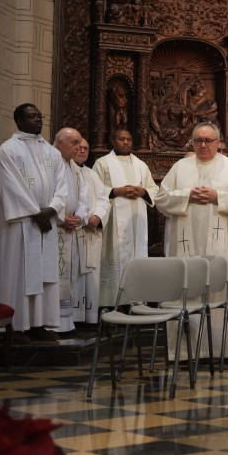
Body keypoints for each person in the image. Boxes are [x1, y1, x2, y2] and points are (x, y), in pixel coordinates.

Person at [155, 122, 228, 356]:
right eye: (198, 140)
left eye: (209, 140)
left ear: (218, 143)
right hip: (185, 244)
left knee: (218, 289)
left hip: (220, 247)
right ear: (192, 143)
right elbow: (161, 199)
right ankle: (185, 352)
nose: (203, 145)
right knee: (186, 288)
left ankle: (221, 350)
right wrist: (187, 195)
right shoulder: (180, 167)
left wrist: (217, 196)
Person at [0, 105, 69, 341]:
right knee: (19, 275)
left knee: (44, 276)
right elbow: (11, 187)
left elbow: (62, 185)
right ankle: (15, 326)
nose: (38, 120)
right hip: (21, 226)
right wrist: (38, 214)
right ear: (18, 120)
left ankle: (38, 324)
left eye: (39, 116)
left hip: (46, 224)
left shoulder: (52, 153)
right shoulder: (7, 151)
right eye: (32, 116)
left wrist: (52, 210)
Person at [93, 129, 157, 309]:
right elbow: (94, 190)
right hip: (113, 221)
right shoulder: (102, 163)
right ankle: (111, 302)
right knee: (113, 255)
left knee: (135, 256)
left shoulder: (140, 165)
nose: (126, 142)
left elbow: (153, 190)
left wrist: (142, 191)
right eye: (121, 139)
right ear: (113, 141)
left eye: (129, 139)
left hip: (136, 221)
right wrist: (116, 191)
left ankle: (134, 301)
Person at [49, 128, 90, 335]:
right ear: (59, 142)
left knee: (68, 276)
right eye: (74, 143)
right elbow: (44, 195)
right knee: (54, 276)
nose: (78, 147)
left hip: (70, 228)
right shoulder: (49, 162)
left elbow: (84, 197)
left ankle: (65, 322)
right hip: (53, 228)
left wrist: (80, 217)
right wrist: (59, 217)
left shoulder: (74, 167)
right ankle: (50, 322)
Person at [74, 138, 109, 326]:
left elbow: (104, 199)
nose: (82, 150)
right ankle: (69, 318)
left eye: (86, 148)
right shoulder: (63, 170)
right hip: (72, 232)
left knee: (89, 276)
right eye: (78, 147)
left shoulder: (91, 174)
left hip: (91, 233)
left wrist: (97, 216)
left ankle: (87, 319)